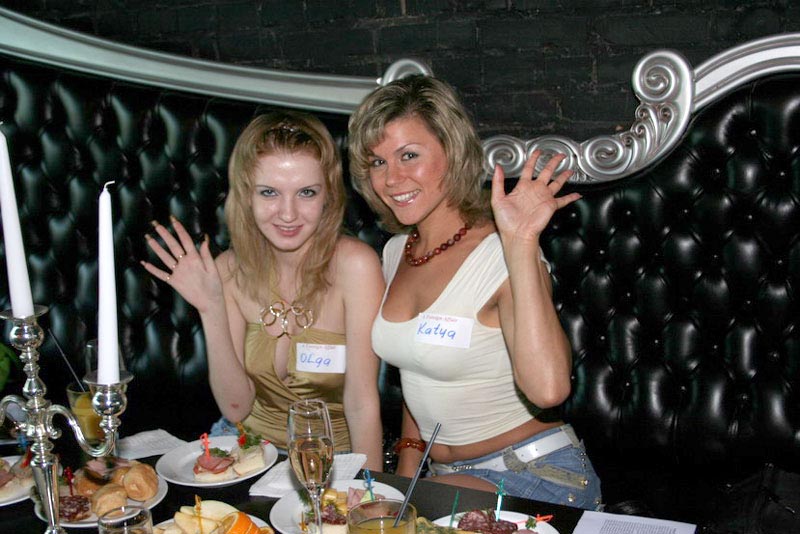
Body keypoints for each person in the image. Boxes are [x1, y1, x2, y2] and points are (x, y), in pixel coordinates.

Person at [348, 75, 602, 506]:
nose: (392, 178)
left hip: (533, 475)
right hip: (445, 481)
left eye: (409, 155)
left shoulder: (501, 253)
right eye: (377, 162)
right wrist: (404, 481)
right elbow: (417, 372)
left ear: (453, 152)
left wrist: (521, 244)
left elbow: (549, 390)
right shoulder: (395, 251)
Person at [141, 111, 384, 470]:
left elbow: (362, 405)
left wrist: (371, 491)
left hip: (332, 461)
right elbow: (236, 407)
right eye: (269, 192)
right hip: (247, 451)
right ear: (246, 196)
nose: (288, 214)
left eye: (306, 192)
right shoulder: (228, 268)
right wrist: (210, 308)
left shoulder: (356, 266)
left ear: (329, 196)